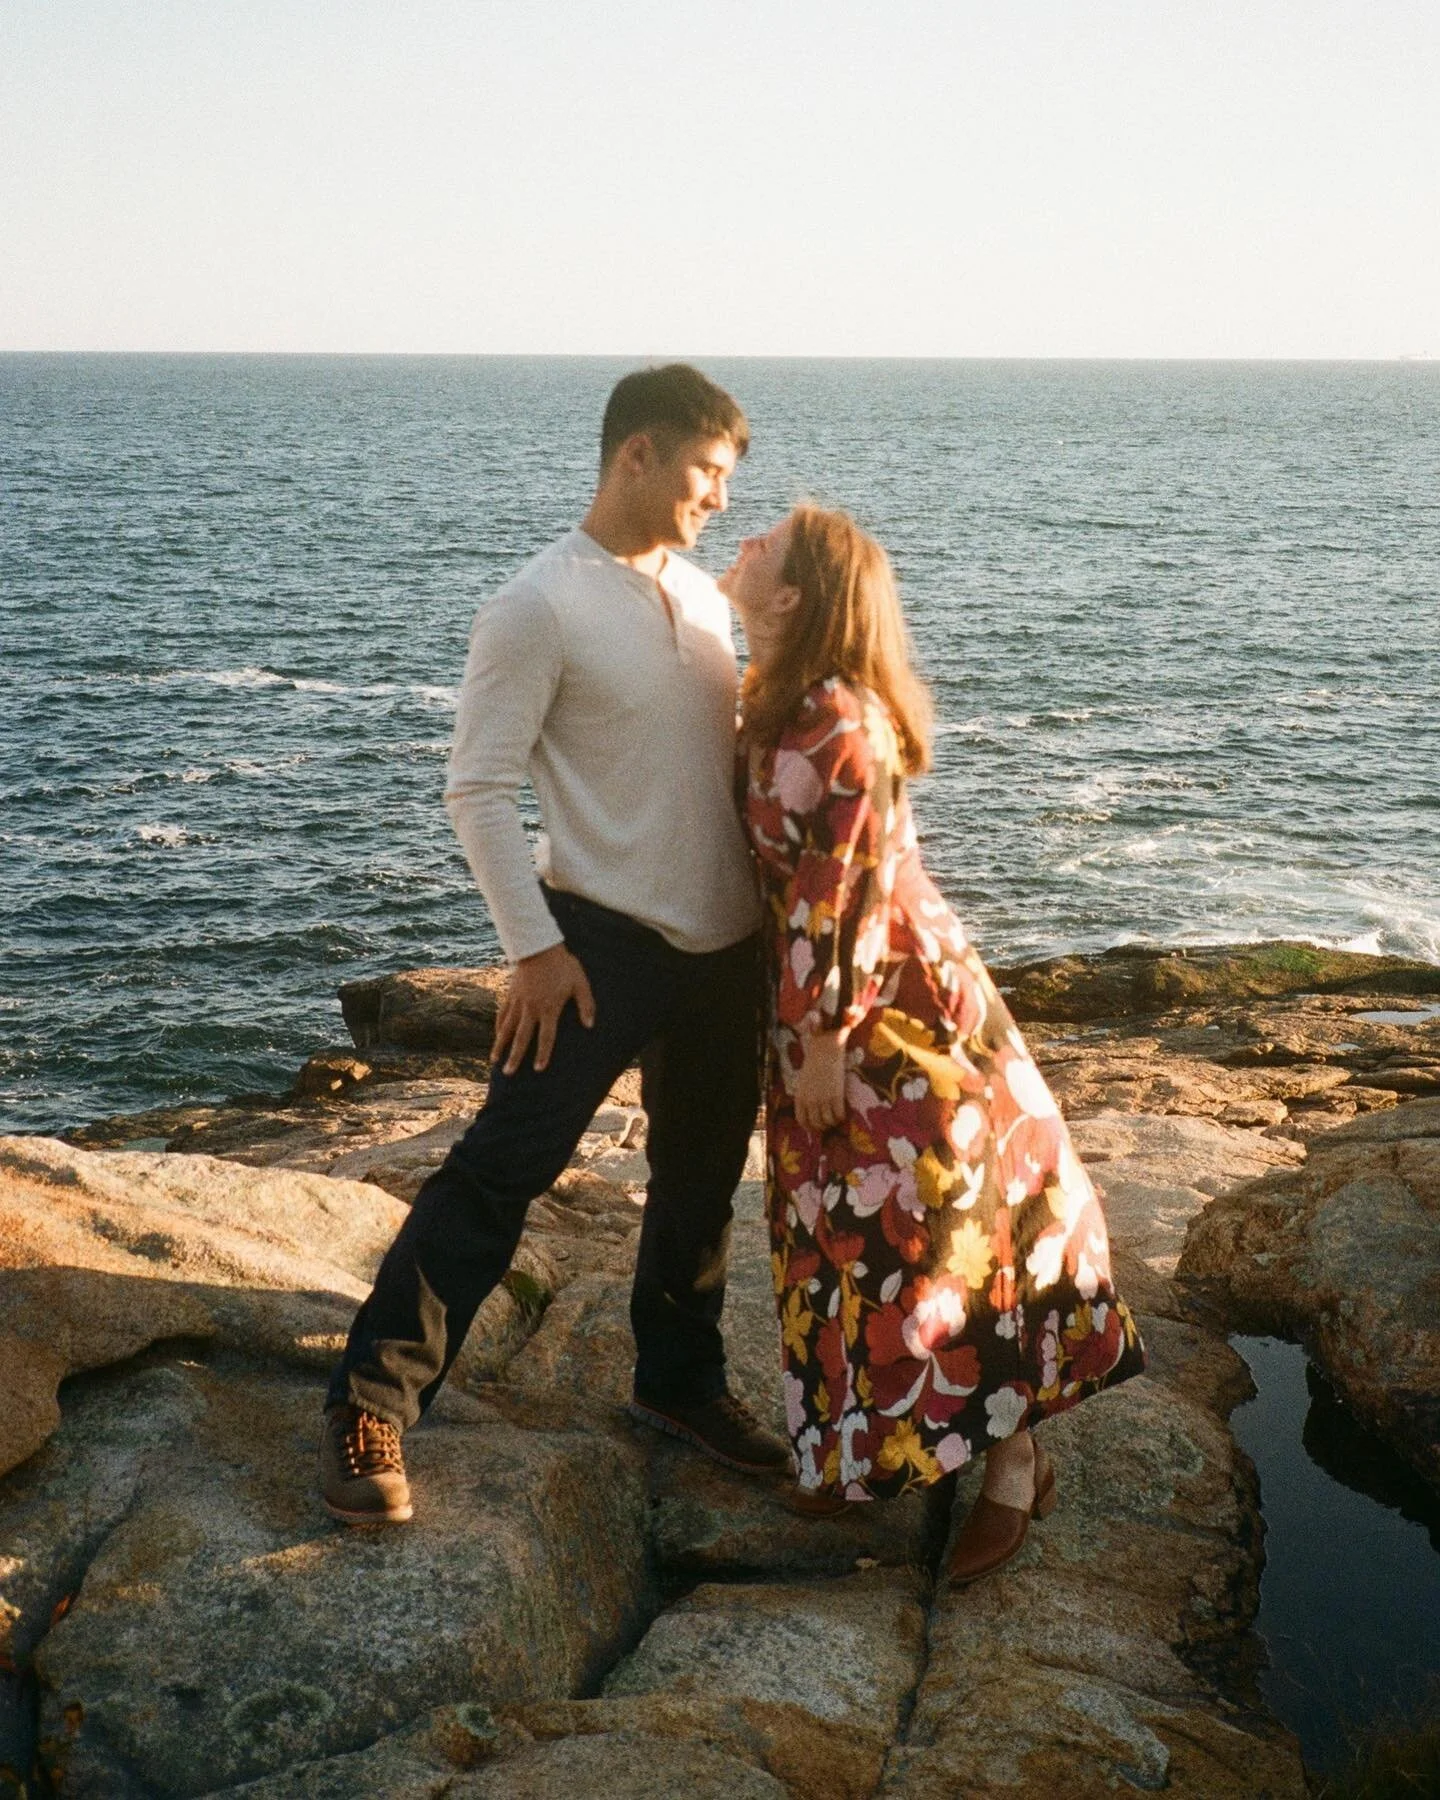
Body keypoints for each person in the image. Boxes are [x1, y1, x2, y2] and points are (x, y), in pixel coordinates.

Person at [320, 364, 791, 1525]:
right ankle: (371, 1400)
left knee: (698, 1185)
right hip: (596, 946)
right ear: (638, 453)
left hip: (727, 950)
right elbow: (477, 786)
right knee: (501, 1172)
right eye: (707, 471)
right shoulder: (537, 604)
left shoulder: (700, 597)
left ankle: (678, 1384)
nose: (721, 497)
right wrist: (533, 949)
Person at [721, 504, 1146, 1584]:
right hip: (824, 1005)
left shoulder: (839, 719)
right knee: (838, 1231)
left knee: (947, 1227)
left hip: (893, 1013)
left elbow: (848, 892)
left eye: (767, 542)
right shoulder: (775, 698)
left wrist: (825, 1036)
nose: (744, 540)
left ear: (793, 597)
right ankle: (857, 1455)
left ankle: (1014, 1460)